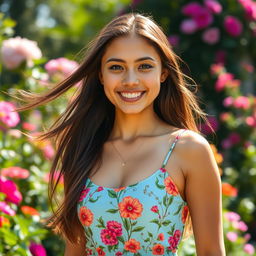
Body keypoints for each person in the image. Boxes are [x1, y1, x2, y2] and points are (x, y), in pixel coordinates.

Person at [17, 13, 226, 256]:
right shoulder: (84, 148)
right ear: (101, 75)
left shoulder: (188, 150)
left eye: (144, 66)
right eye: (116, 67)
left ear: (163, 73)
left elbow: (211, 251)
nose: (130, 80)